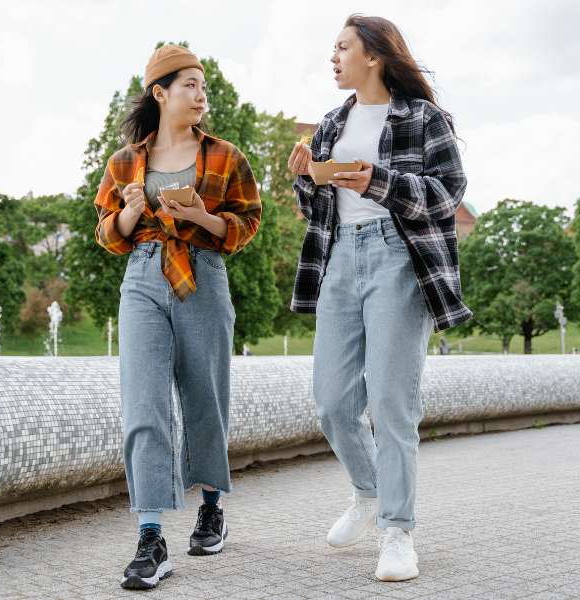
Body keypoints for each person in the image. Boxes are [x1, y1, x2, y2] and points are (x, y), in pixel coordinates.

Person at [287, 15, 469, 582]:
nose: (333, 57)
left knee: (392, 402)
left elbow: (448, 192)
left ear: (374, 56)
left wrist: (376, 181)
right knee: (332, 401)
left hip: (398, 257)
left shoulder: (422, 117)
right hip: (340, 258)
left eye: (342, 47)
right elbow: (315, 208)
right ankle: (368, 492)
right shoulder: (331, 122)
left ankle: (397, 530)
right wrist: (306, 179)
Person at [93, 44, 262, 590]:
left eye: (203, 84)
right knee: (143, 405)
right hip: (142, 277)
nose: (201, 93)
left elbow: (247, 223)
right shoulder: (124, 162)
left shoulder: (226, 156)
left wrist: (202, 217)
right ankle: (150, 537)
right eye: (189, 83)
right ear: (160, 93)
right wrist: (128, 215)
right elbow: (105, 233)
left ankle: (211, 507)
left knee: (205, 398)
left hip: (202, 272)